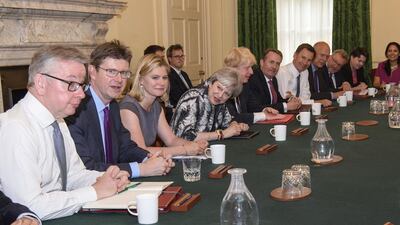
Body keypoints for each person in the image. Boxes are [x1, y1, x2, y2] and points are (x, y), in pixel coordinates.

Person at [0, 45, 130, 220]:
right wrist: (94, 191)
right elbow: (29, 206)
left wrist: (106, 178)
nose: (82, 95)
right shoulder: (16, 127)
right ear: (41, 83)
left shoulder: (58, 120)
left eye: (81, 85)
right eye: (72, 84)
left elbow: (73, 175)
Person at [66, 40, 173, 178]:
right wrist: (141, 169)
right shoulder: (75, 110)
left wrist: (150, 158)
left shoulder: (113, 106)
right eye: (111, 72)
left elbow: (125, 148)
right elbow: (87, 167)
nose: (119, 79)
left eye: (124, 73)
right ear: (92, 71)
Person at [119, 54, 208, 156]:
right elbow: (141, 151)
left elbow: (171, 140)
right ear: (141, 80)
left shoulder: (156, 105)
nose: (162, 82)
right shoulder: (128, 108)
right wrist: (185, 150)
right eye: (155, 77)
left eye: (165, 78)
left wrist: (194, 145)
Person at [170, 67, 249, 141]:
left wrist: (234, 126)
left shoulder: (220, 102)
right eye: (219, 87)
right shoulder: (194, 98)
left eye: (227, 94)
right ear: (211, 83)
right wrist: (221, 134)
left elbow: (226, 122)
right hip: (179, 152)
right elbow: (184, 136)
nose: (220, 95)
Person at [224, 47, 284, 124]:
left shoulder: (244, 86)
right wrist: (263, 116)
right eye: (247, 68)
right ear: (234, 68)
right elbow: (231, 117)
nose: (251, 72)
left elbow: (252, 107)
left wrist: (265, 110)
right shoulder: (223, 88)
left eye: (251, 67)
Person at [248, 48, 301, 113]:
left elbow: (278, 101)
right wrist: (286, 106)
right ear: (261, 62)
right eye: (271, 62)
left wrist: (291, 101)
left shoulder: (273, 79)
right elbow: (256, 107)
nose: (274, 67)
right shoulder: (253, 78)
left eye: (278, 64)